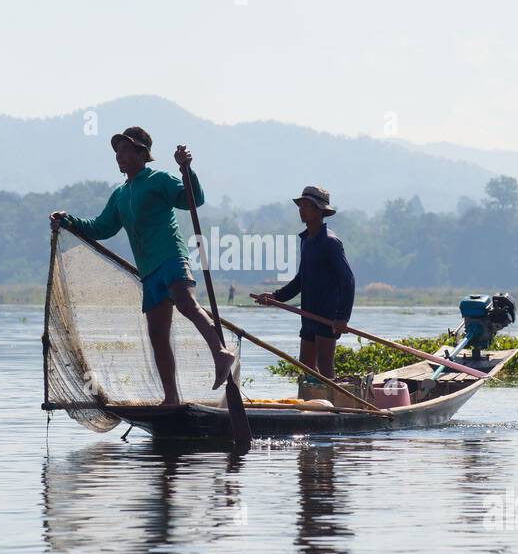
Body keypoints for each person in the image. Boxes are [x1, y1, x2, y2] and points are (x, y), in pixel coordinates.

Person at [50, 126, 237, 406]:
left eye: (126, 149)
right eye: (117, 151)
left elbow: (192, 200)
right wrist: (69, 221)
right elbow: (101, 228)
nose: (120, 155)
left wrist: (187, 170)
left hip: (171, 256)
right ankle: (171, 397)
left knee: (186, 303)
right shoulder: (120, 195)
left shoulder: (159, 179)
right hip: (149, 271)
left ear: (142, 153)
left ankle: (221, 353)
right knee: (157, 334)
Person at [255, 185, 355, 379]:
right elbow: (301, 279)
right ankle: (312, 405)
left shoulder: (330, 242)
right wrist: (276, 297)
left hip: (326, 316)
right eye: (300, 205)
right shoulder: (306, 240)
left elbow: (348, 280)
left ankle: (332, 407)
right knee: (307, 366)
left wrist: (343, 318)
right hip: (308, 314)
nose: (301, 209)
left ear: (319, 211)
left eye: (307, 205)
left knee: (325, 366)